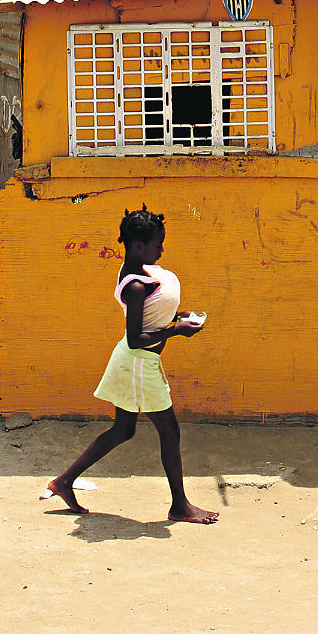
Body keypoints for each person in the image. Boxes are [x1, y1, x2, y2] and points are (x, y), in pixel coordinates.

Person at [46, 206, 217, 524]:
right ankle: (180, 506)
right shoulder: (136, 285)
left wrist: (177, 317)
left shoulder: (137, 269)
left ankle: (64, 482)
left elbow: (151, 317)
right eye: (157, 244)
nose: (161, 250)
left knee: (123, 430)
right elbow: (137, 336)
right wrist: (175, 330)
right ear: (139, 247)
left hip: (132, 360)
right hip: (138, 362)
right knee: (169, 431)